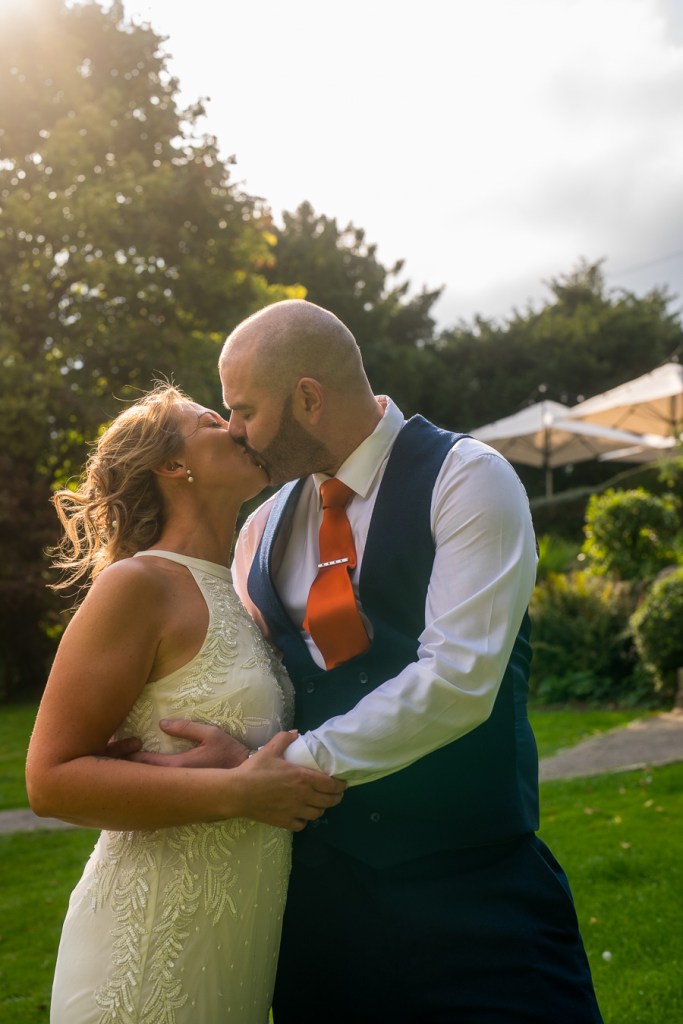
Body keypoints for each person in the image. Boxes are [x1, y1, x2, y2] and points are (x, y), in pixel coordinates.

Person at [133, 300, 604, 1023]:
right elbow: (270, 681)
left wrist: (295, 767)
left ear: (308, 399)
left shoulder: (467, 478)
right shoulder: (259, 528)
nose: (233, 431)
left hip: (475, 890)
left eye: (245, 409)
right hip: (320, 906)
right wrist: (240, 755)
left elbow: (457, 682)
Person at [25, 383, 345, 1024]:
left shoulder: (247, 594)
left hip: (233, 944)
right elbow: (49, 781)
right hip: (142, 946)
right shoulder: (136, 585)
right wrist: (236, 792)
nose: (236, 426)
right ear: (173, 466)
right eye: (210, 419)